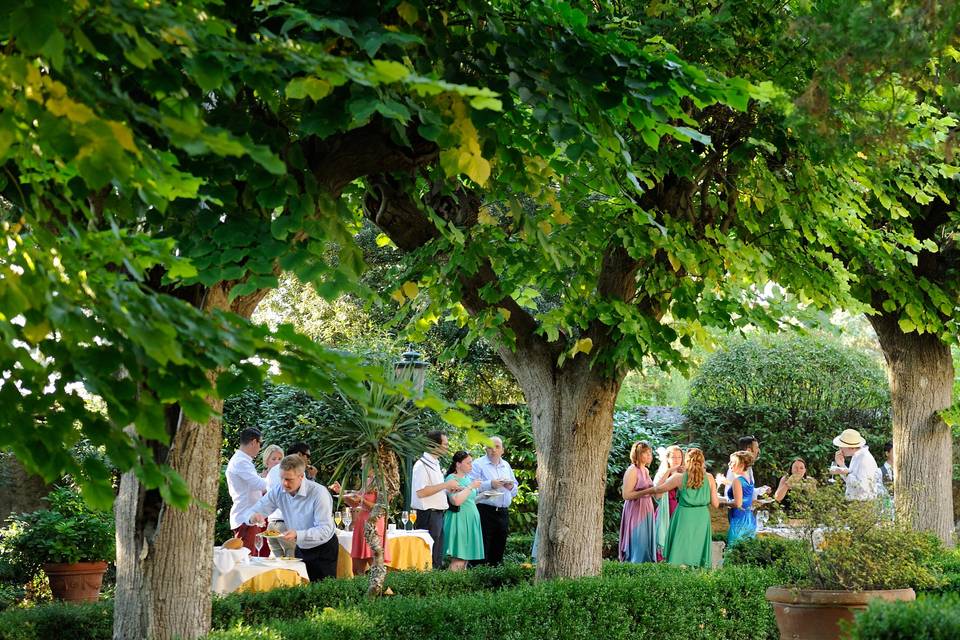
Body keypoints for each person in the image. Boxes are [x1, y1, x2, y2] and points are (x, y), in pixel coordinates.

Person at [243, 454, 339, 582]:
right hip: (300, 547)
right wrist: (253, 517)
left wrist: (298, 534)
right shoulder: (278, 491)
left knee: (324, 594)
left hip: (323, 549)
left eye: (289, 479)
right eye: (282, 478)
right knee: (301, 590)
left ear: (301, 476)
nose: (284, 483)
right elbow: (253, 511)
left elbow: (325, 529)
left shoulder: (319, 493)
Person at [650, 448, 719, 568]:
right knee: (697, 547)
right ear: (702, 461)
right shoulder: (710, 478)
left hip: (684, 515)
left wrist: (639, 493)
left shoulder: (679, 478)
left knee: (680, 548)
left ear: (687, 461)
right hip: (702, 517)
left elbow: (657, 491)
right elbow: (715, 504)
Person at [411, 431, 460, 569]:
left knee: (437, 556)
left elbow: (434, 489)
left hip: (437, 514)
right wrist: (445, 485)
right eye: (445, 444)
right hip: (428, 514)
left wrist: (449, 489)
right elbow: (421, 492)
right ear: (434, 445)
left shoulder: (435, 464)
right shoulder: (422, 465)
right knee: (429, 557)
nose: (447, 446)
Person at [264, 442, 320, 558]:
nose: (308, 461)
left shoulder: (273, 471)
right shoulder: (296, 471)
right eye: (307, 456)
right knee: (292, 565)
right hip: (286, 524)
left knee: (277, 568)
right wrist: (312, 478)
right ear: (299, 455)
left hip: (271, 523)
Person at [469, 436, 519, 566]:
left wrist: (511, 486)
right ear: (486, 449)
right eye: (490, 447)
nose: (494, 450)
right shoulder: (478, 464)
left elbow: (514, 490)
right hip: (485, 511)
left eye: (497, 447)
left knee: (499, 548)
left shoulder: (506, 465)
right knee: (482, 548)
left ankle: (495, 580)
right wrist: (490, 484)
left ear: (503, 450)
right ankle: (478, 579)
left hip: (503, 512)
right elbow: (470, 486)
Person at [226, 428, 269, 556]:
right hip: (245, 517)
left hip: (248, 516)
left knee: (251, 557)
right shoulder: (241, 461)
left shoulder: (243, 461)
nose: (260, 448)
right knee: (246, 559)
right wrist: (279, 480)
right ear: (254, 442)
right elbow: (259, 484)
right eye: (260, 444)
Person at [343, 463, 392, 575]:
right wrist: (342, 494)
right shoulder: (367, 481)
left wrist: (362, 500)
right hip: (361, 524)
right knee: (356, 570)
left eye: (364, 464)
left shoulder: (383, 483)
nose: (361, 468)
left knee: (375, 568)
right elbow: (356, 504)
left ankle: (384, 591)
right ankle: (361, 591)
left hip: (373, 525)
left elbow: (381, 509)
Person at [443, 451, 484, 570]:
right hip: (459, 519)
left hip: (470, 519)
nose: (471, 465)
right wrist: (471, 487)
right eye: (468, 463)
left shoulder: (467, 478)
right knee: (459, 558)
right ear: (458, 464)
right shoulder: (452, 478)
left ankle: (461, 584)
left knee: (465, 558)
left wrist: (484, 496)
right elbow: (455, 501)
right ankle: (451, 585)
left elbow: (469, 500)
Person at [619, 441, 658, 563]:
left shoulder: (645, 470)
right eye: (645, 453)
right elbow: (626, 495)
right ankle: (634, 565)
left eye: (649, 453)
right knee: (638, 540)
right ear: (637, 454)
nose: (648, 456)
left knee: (646, 541)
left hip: (647, 508)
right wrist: (646, 492)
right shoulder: (632, 470)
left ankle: (645, 568)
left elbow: (651, 490)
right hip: (636, 509)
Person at [829, 428, 884, 501]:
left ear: (851, 447)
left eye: (842, 446)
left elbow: (862, 487)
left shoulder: (865, 459)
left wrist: (845, 473)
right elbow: (852, 480)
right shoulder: (857, 456)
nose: (839, 449)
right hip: (856, 504)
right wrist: (842, 465)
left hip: (863, 505)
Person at [652, 445, 684, 560]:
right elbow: (657, 493)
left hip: (680, 510)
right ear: (668, 459)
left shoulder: (684, 474)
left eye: (679, 457)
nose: (676, 460)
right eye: (673, 457)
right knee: (665, 537)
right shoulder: (663, 473)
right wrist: (668, 471)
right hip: (666, 510)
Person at [725, 450, 757, 546]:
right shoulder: (749, 479)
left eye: (732, 462)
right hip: (749, 518)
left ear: (742, 464)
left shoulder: (737, 480)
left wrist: (723, 502)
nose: (729, 464)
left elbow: (738, 504)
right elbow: (744, 495)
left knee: (733, 551)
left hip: (739, 520)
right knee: (747, 552)